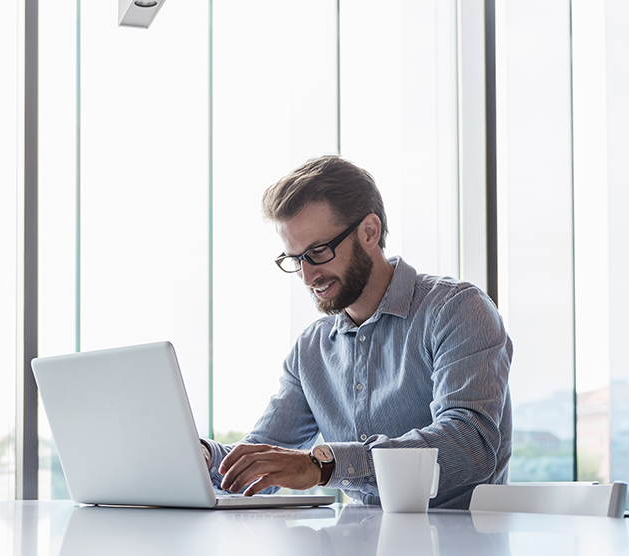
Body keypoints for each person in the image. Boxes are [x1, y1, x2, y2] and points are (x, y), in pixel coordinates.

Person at [201, 155, 512, 510]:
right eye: (295, 259)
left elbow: (470, 443)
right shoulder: (312, 351)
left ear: (369, 232)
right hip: (358, 553)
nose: (307, 277)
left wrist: (326, 465)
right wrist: (202, 457)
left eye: (318, 252)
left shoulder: (456, 310)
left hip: (462, 552)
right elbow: (262, 459)